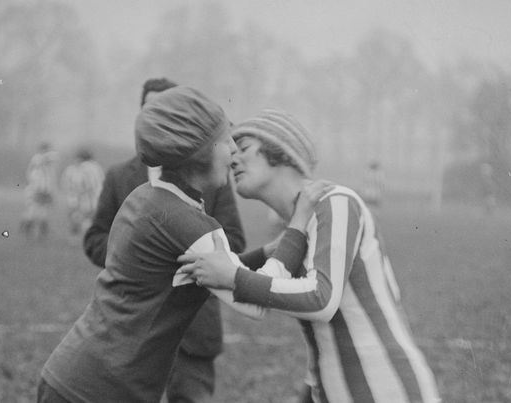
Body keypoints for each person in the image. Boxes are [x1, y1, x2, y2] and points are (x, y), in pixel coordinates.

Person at [39, 87, 324, 403]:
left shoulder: (148, 197)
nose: (233, 151)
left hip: (74, 377)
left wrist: (266, 253)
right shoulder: (186, 221)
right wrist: (297, 226)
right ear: (199, 151)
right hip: (98, 391)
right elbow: (257, 302)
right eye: (226, 140)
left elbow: (212, 268)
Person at [177, 109, 441, 403]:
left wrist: (234, 276)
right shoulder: (296, 230)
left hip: (386, 389)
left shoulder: (335, 202)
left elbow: (322, 299)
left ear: (283, 153)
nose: (233, 159)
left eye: (245, 148)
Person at [82, 78, 246, 403]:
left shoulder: (213, 173)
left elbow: (234, 240)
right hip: (136, 331)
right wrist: (142, 257)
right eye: (152, 110)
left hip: (194, 330)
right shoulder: (120, 178)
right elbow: (96, 239)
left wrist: (192, 251)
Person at [61, 148, 104, 239]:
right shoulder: (97, 166)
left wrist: (77, 197)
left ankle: (81, 237)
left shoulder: (82, 168)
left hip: (85, 197)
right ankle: (88, 237)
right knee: (89, 219)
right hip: (97, 197)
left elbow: (82, 184)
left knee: (78, 217)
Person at [21, 142, 59, 240]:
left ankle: (33, 231)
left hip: (42, 188)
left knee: (38, 210)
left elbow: (29, 173)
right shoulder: (40, 158)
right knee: (39, 210)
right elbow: (51, 157)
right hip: (41, 189)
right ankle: (33, 230)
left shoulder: (37, 159)